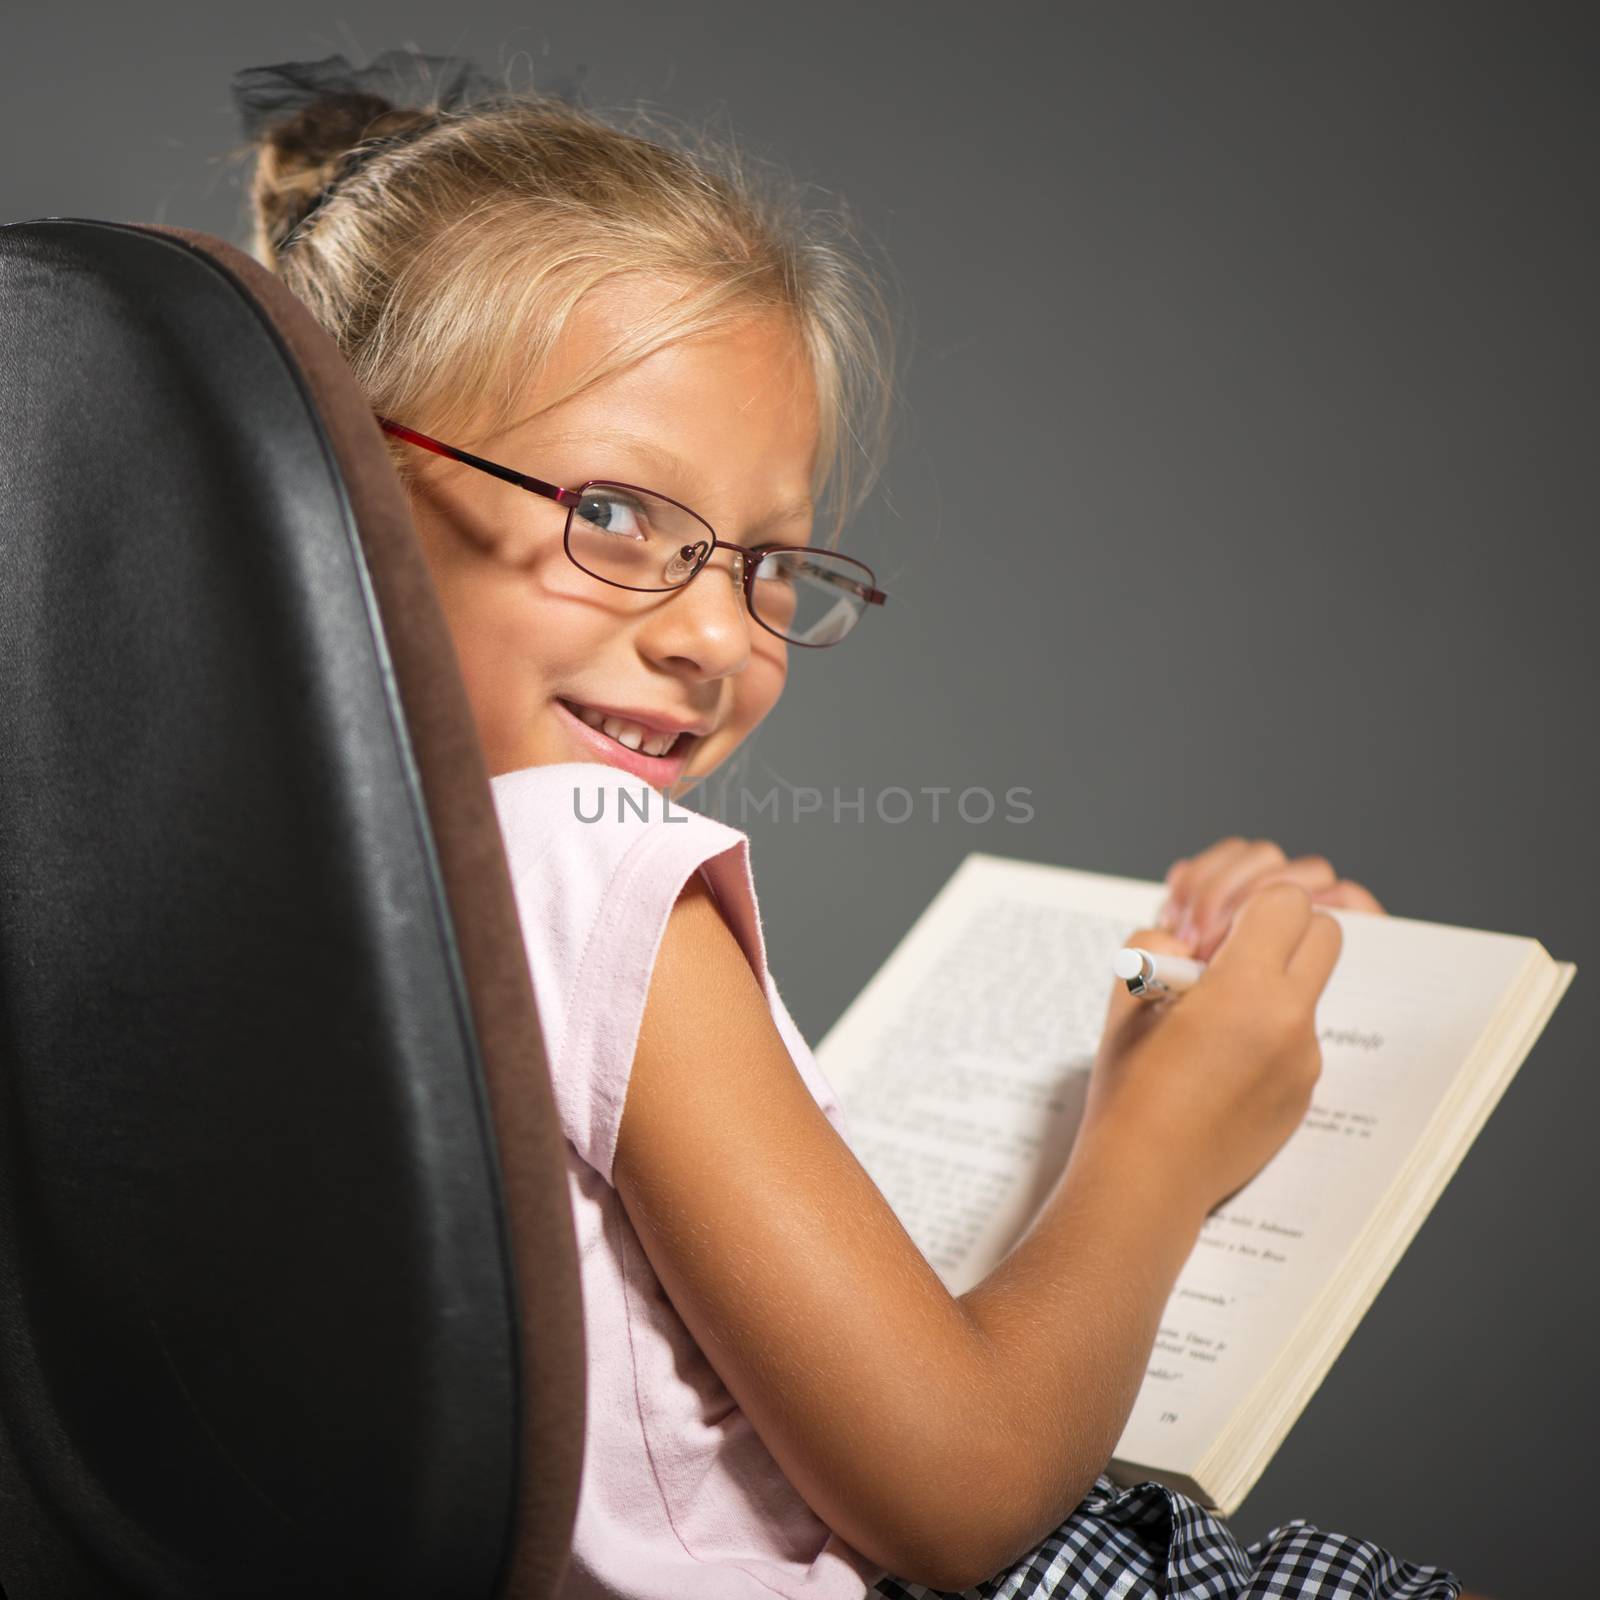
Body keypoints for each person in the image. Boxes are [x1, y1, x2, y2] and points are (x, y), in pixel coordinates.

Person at [233, 48, 1487, 1600]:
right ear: (337, 485)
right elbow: (957, 1495)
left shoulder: (227, 894)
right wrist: (1161, 1131)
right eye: (615, 512)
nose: (721, 638)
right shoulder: (568, 856)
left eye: (772, 562)